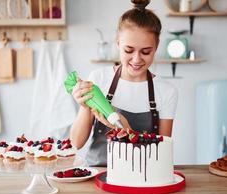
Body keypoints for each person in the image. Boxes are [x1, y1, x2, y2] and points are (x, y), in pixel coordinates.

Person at [70, 0, 178, 166]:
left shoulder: (166, 91)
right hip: (99, 177)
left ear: (156, 47)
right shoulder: (98, 79)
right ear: (118, 43)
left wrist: (127, 130)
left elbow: (162, 154)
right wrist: (85, 107)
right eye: (129, 50)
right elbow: (75, 143)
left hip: (143, 177)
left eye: (146, 52)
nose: (136, 59)